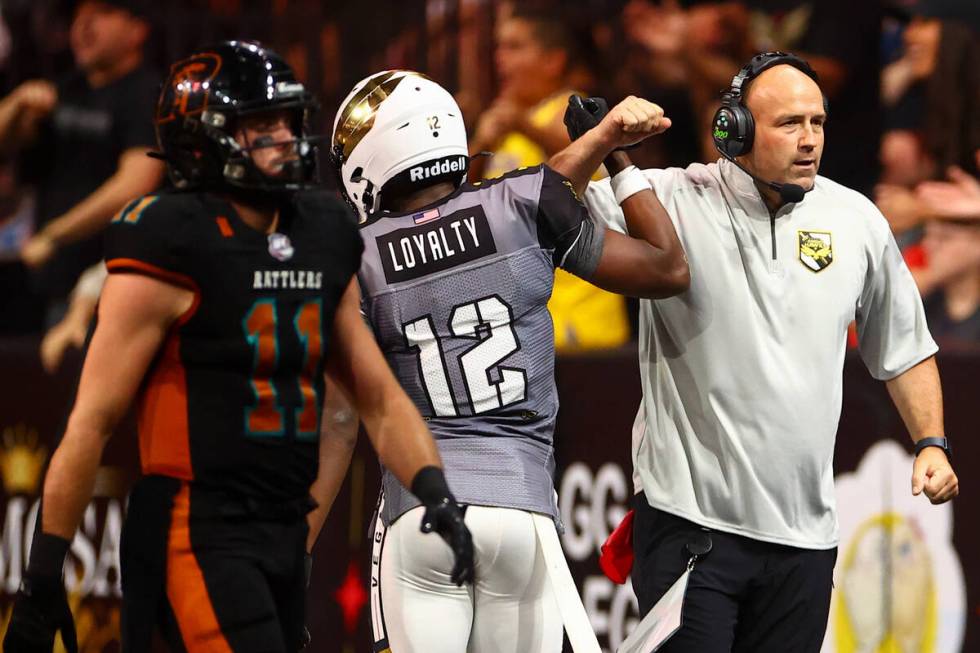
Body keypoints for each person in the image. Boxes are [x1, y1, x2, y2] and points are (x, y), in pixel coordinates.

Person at [2, 41, 474, 653]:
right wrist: (42, 574)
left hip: (280, 523)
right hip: (192, 526)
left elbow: (376, 398)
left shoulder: (320, 232)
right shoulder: (166, 240)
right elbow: (91, 423)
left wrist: (436, 490)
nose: (284, 137)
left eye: (286, 120)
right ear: (204, 137)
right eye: (261, 125)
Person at [567, 51, 960, 652]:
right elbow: (542, 210)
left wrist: (930, 441)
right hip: (690, 527)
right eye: (789, 125)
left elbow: (904, 348)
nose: (809, 141)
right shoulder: (668, 198)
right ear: (736, 131)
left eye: (818, 123)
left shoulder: (856, 219)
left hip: (805, 542)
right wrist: (601, 140)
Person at [329, 71, 688, 652]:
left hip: (421, 513)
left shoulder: (357, 257)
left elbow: (341, 421)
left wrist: (295, 553)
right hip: (523, 515)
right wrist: (618, 159)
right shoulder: (518, 204)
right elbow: (668, 269)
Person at [470, 7, 631, 353]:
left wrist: (523, 126)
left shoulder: (571, 110)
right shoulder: (513, 124)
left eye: (514, 47)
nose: (501, 59)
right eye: (499, 48)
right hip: (529, 322)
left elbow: (593, 154)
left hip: (579, 323)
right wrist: (482, 144)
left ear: (552, 60)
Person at [0, 0, 164, 329]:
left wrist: (55, 234)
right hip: (46, 279)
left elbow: (136, 182)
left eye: (101, 14)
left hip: (111, 283)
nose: (83, 26)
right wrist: (16, 104)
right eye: (78, 17)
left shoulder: (147, 94)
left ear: (137, 30)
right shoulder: (65, 88)